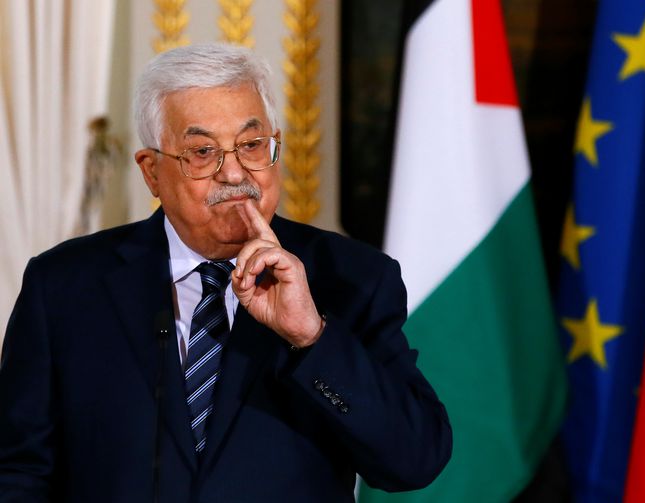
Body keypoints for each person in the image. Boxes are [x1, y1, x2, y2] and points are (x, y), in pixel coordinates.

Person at [0, 43, 451, 502]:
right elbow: (18, 471)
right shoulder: (63, 286)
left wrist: (311, 337)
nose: (234, 174)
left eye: (252, 146)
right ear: (152, 172)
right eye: (202, 152)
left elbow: (414, 459)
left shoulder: (353, 277)